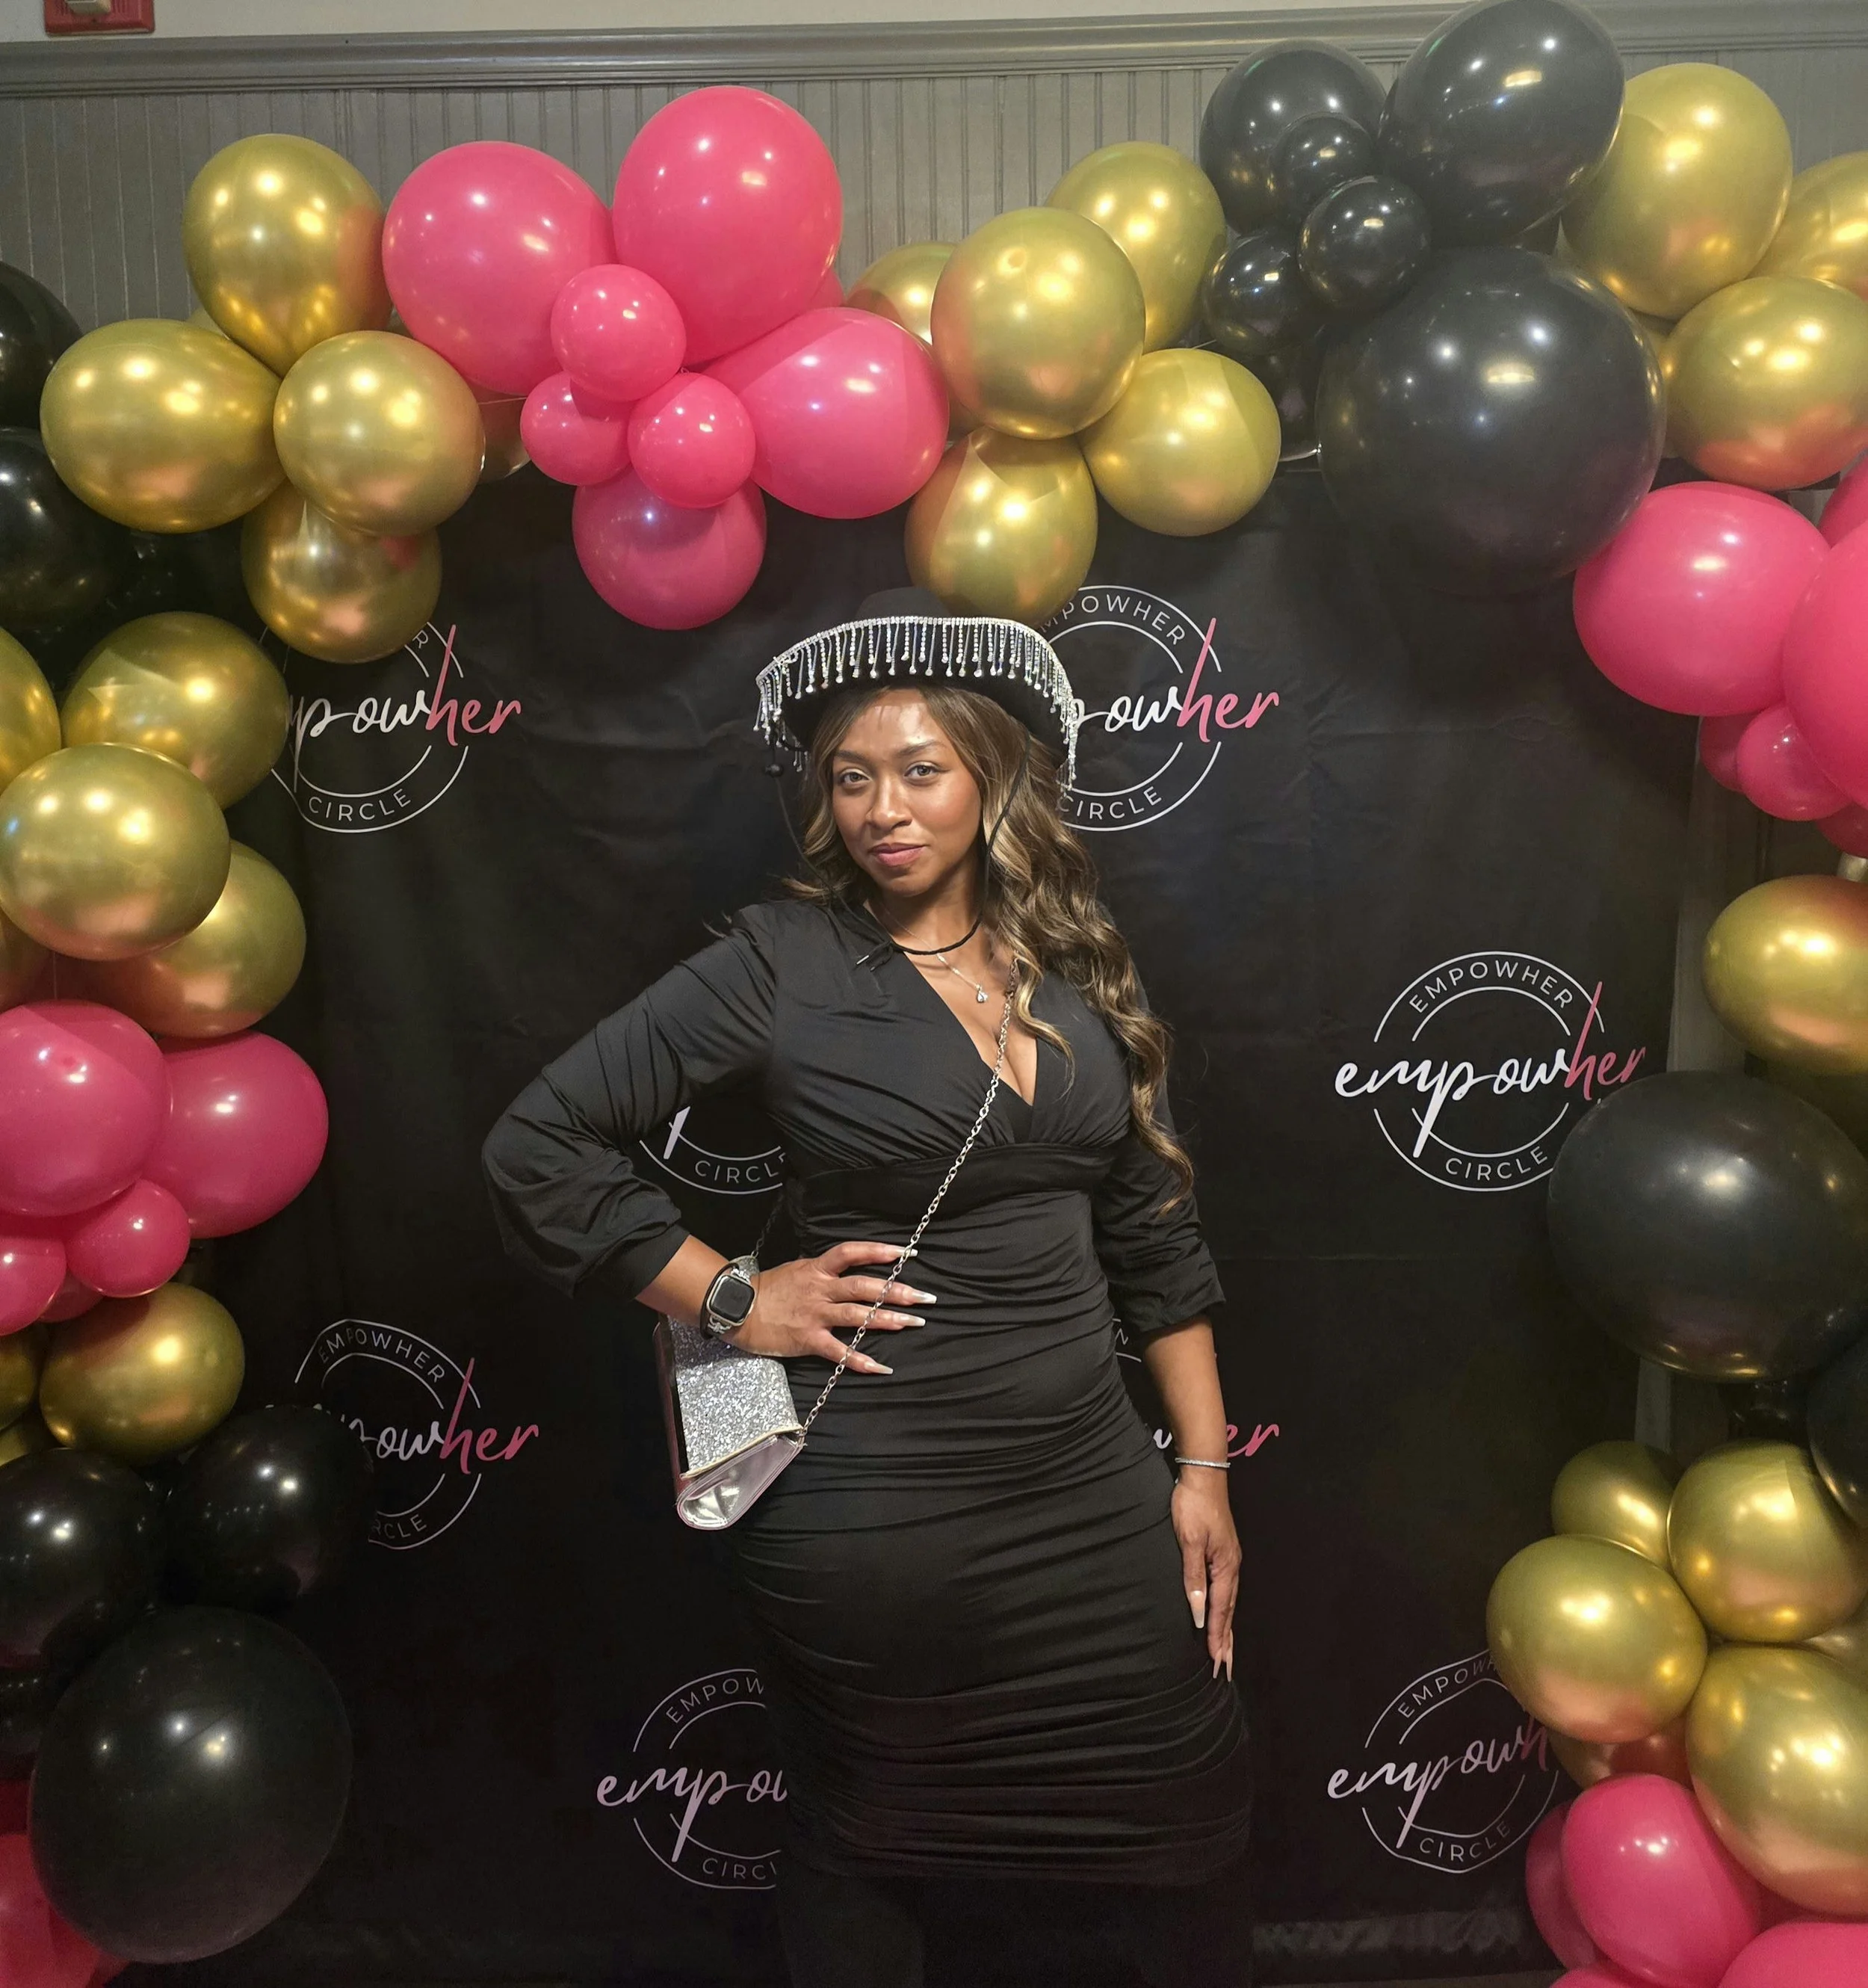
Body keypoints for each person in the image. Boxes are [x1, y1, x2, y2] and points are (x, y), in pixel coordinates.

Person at [483, 590, 1252, 1988]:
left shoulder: (1072, 964)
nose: (882, 810)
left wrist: (1200, 1470)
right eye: (850, 779)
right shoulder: (781, 965)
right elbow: (540, 1141)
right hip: (877, 1505)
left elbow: (1152, 1232)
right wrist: (732, 1300)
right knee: (876, 1837)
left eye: (919, 771)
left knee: (1177, 1812)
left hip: (1088, 1489)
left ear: (993, 779)